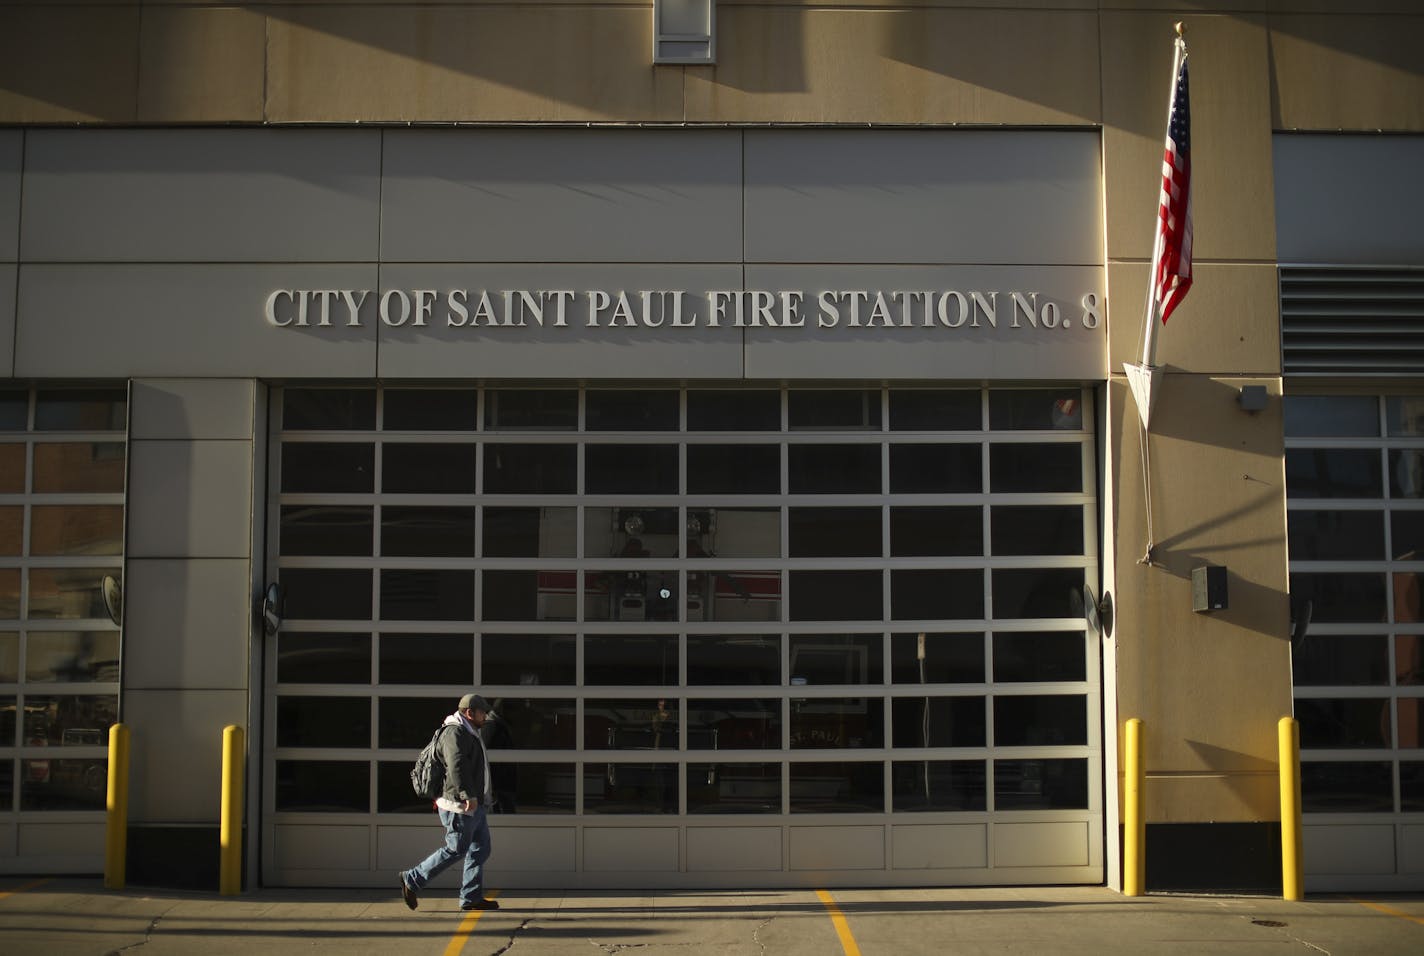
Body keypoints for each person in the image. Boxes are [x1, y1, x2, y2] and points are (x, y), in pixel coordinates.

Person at [399, 693, 499, 912]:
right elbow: (456, 767)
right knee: (456, 849)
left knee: (481, 848)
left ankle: (471, 897)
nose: (486, 716)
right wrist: (467, 795)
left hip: (475, 804)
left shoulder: (469, 731)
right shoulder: (455, 732)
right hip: (460, 805)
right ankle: (412, 879)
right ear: (469, 712)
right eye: (483, 712)